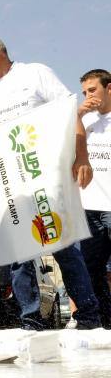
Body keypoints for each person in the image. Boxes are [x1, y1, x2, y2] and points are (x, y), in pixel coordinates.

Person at [0, 32, 100, 330]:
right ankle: (30, 320)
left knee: (65, 246)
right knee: (19, 255)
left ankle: (88, 317)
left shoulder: (35, 73)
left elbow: (69, 114)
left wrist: (82, 157)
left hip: (47, 178)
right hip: (11, 186)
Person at [76, 69, 111, 328]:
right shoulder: (85, 122)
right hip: (88, 208)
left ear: (109, 88)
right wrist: (77, 114)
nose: (88, 96)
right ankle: (105, 321)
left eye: (92, 90)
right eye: (84, 92)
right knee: (92, 270)